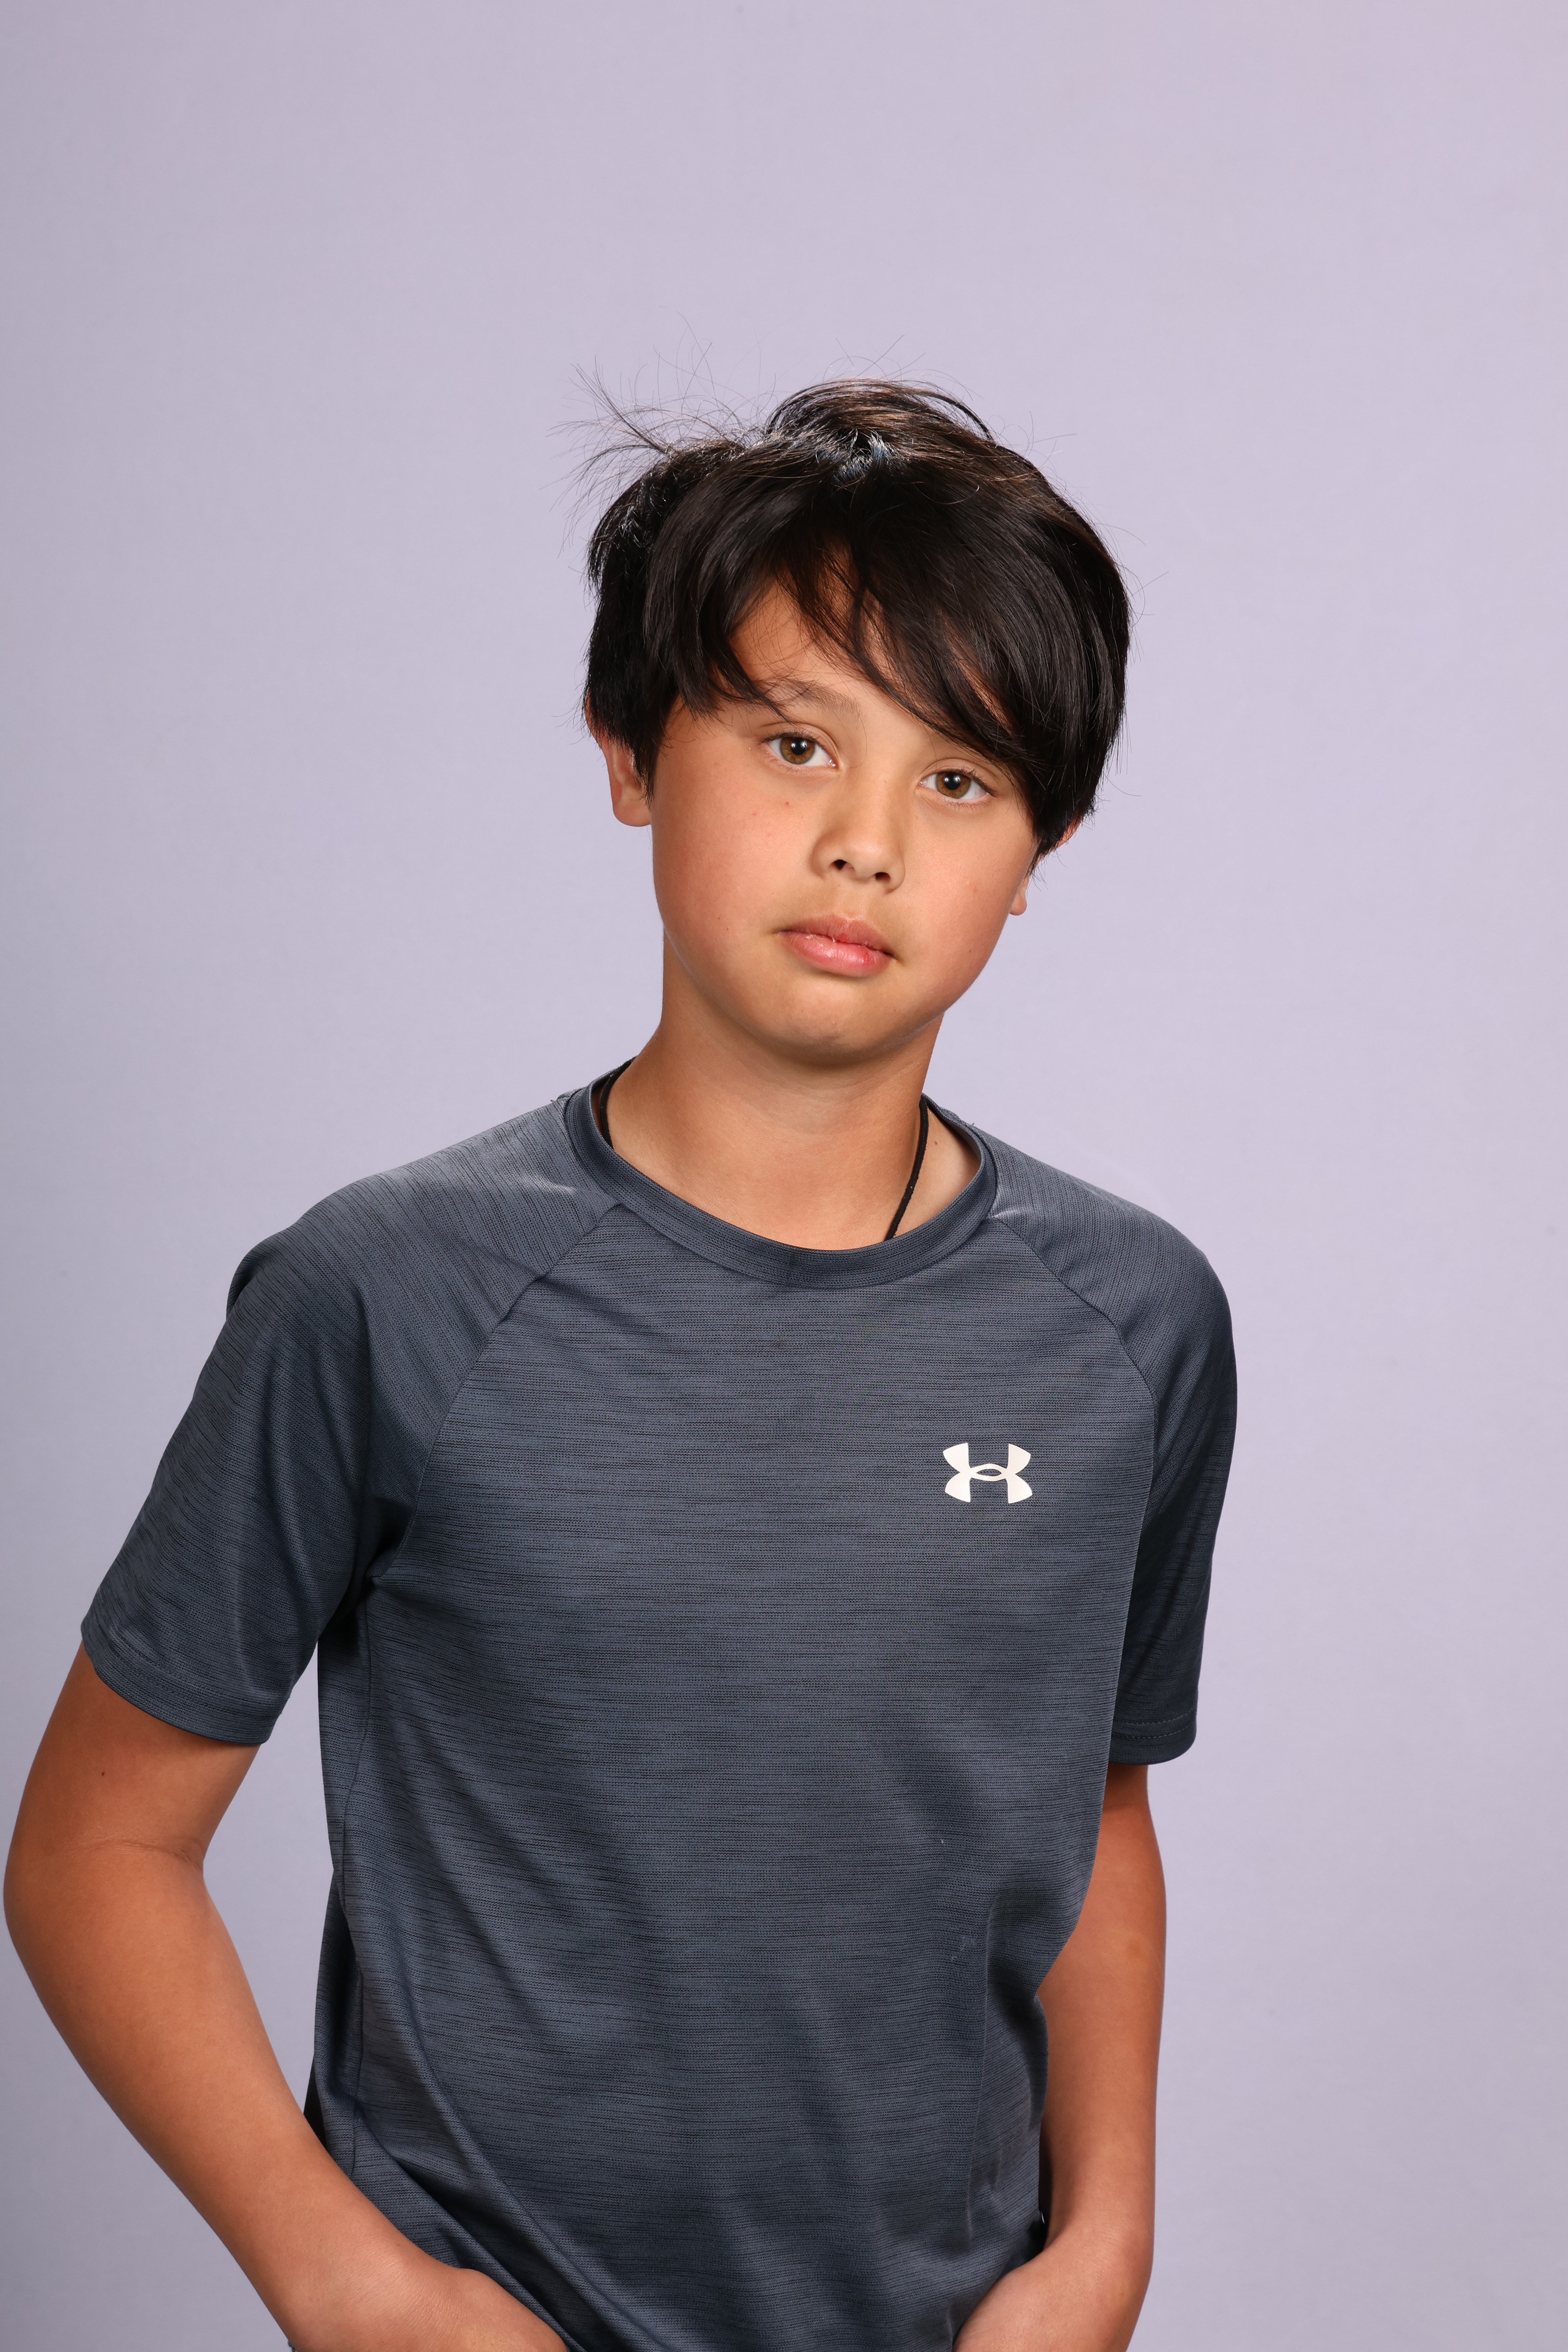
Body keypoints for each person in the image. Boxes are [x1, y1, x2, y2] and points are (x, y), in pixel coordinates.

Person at [5, 380, 1235, 2352]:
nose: (863, 845)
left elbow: (1088, 1805)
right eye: (793, 742)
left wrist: (1103, 2250)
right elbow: (96, 1843)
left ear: (1042, 843)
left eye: (957, 780)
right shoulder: (385, 1292)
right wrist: (347, 2283)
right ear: (631, 749)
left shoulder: (1131, 1323)